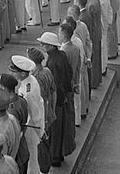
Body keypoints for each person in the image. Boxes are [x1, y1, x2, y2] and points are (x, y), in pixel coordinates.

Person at [37, 32, 76, 168]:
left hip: (57, 101)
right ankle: (58, 155)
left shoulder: (52, 62)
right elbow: (69, 73)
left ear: (51, 46)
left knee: (55, 131)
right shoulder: (61, 55)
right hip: (63, 97)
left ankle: (54, 157)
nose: (42, 46)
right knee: (60, 129)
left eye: (44, 44)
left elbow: (55, 84)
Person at [9, 56, 44, 174]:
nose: (12, 74)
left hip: (31, 126)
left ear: (23, 74)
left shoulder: (28, 91)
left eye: (15, 72)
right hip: (30, 124)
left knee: (32, 154)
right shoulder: (29, 81)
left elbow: (35, 114)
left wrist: (40, 133)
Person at [0, 73, 30, 174]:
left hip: (17, 154)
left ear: (3, 88)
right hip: (23, 149)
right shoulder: (21, 100)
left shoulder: (11, 110)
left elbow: (13, 132)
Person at [76, 0, 102, 89]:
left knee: (93, 58)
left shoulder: (91, 4)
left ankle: (94, 82)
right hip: (95, 32)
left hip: (93, 34)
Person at [27, 47, 57, 131]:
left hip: (41, 115)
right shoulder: (47, 71)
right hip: (49, 111)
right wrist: (53, 110)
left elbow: (41, 100)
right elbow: (54, 92)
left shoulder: (35, 78)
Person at [90, 0, 112, 73]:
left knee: (102, 47)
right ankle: (104, 66)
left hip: (101, 23)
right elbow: (109, 9)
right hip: (105, 21)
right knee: (104, 45)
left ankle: (102, 68)